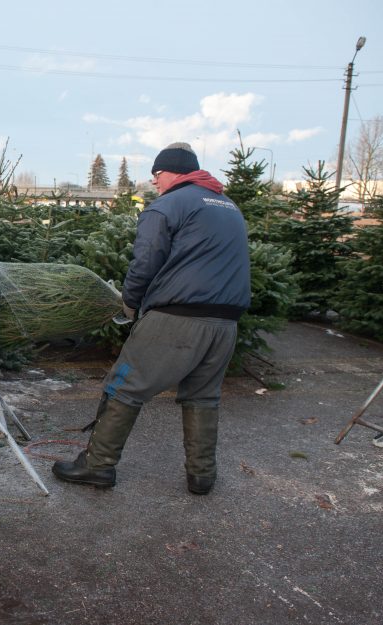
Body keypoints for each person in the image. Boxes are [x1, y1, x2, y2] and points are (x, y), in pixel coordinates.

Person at [52, 142, 251, 495]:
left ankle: (97, 466)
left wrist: (130, 303)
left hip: (179, 316)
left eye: (156, 175)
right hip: (225, 323)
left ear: (170, 172)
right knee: (203, 397)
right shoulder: (228, 206)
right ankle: (202, 476)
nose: (155, 183)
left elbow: (145, 262)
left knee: (124, 386)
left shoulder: (168, 206)